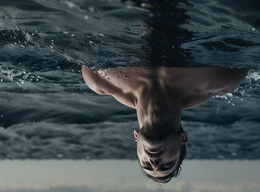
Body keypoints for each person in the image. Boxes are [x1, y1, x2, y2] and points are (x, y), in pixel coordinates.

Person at [82, 66, 248, 183]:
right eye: (167, 164)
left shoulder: (99, 79)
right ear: (183, 138)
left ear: (136, 137)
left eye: (146, 164)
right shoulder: (221, 78)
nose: (154, 162)